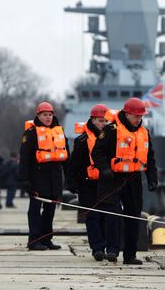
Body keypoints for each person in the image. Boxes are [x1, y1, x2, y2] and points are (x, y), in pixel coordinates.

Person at [92, 98, 158, 265]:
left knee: (134, 217)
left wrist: (152, 179)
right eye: (136, 116)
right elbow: (97, 153)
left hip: (133, 179)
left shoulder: (144, 132)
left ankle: (130, 255)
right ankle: (112, 250)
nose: (139, 119)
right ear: (127, 114)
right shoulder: (111, 130)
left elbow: (150, 158)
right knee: (113, 215)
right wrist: (105, 169)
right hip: (112, 179)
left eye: (141, 116)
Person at [19, 102, 69, 250]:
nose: (48, 117)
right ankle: (34, 240)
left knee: (50, 210)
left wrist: (70, 178)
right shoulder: (31, 133)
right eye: (44, 115)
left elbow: (66, 156)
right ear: (38, 116)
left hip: (54, 178)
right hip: (36, 178)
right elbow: (25, 158)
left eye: (50, 114)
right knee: (34, 210)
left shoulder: (59, 133)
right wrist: (24, 180)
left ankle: (46, 239)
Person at [66, 104, 112, 261]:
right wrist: (71, 183)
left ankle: (108, 245)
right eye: (100, 121)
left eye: (106, 121)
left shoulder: (112, 139)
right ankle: (97, 248)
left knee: (107, 216)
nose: (103, 124)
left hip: (106, 184)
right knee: (92, 217)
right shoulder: (82, 141)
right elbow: (74, 164)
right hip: (87, 184)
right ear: (92, 120)